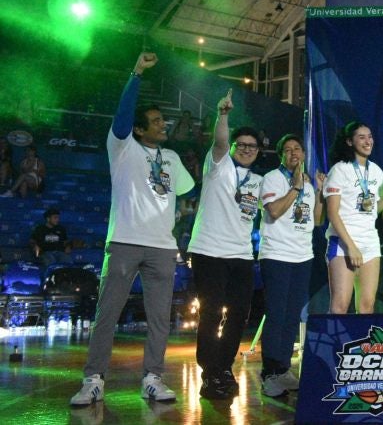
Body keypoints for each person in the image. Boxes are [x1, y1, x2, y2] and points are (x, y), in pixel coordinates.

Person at [70, 52, 196, 407]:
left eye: (163, 120)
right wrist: (136, 73)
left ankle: (153, 378)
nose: (163, 125)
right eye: (155, 121)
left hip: (161, 248)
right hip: (124, 242)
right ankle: (93, 380)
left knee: (159, 319)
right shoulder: (122, 147)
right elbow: (123, 116)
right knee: (107, 315)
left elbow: (186, 192)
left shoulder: (170, 157)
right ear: (139, 128)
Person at [186, 89, 263, 399]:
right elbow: (219, 141)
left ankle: (223, 366)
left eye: (252, 146)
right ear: (232, 147)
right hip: (209, 251)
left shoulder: (257, 180)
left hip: (242, 254)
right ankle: (208, 370)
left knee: (239, 314)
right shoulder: (218, 164)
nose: (246, 149)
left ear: (258, 150)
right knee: (212, 312)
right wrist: (224, 114)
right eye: (241, 144)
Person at [258, 134, 325, 397]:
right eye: (287, 150)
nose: (293, 153)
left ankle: (283, 368)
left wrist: (318, 191)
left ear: (304, 154)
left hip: (302, 256)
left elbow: (316, 220)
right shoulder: (273, 178)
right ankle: (270, 373)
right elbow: (274, 211)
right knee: (276, 314)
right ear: (280, 155)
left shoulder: (306, 184)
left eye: (297, 148)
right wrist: (295, 188)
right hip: (276, 254)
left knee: (291, 315)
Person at [323, 122, 383, 315]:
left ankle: (362, 346)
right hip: (343, 243)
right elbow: (332, 213)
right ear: (349, 141)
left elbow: (372, 210)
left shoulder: (376, 171)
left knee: (367, 306)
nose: (367, 141)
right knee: (340, 306)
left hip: (370, 242)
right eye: (361, 137)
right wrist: (351, 246)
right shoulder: (339, 170)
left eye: (369, 136)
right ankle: (336, 346)